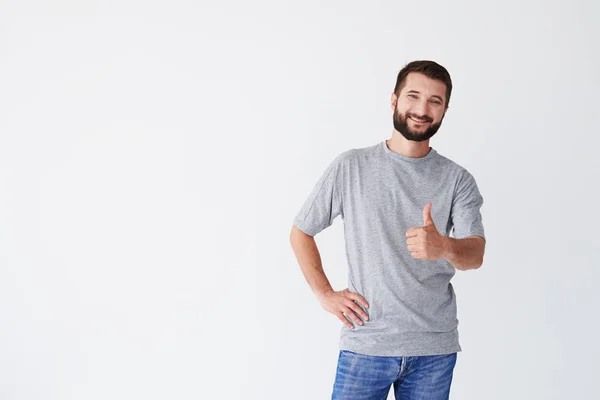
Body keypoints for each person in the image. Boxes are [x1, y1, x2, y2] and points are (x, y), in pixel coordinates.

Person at [289, 60, 486, 400]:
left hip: (433, 349)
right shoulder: (351, 166)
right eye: (413, 96)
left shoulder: (457, 180)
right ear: (394, 100)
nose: (422, 109)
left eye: (435, 101)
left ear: (445, 110)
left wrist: (443, 247)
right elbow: (301, 231)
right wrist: (325, 294)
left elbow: (475, 255)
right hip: (366, 343)